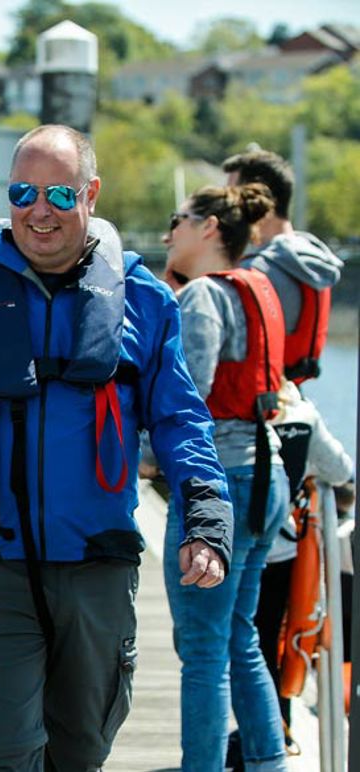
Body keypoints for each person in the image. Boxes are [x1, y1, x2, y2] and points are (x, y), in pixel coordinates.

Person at [0, 124, 233, 771]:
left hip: (98, 564)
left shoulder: (146, 302)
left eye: (58, 194)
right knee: (5, 751)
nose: (38, 210)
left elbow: (183, 421)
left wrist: (207, 520)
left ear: (90, 194)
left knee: (81, 751)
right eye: (22, 192)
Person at [162, 182, 292, 771]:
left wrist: (140, 454)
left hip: (224, 482)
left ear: (209, 227)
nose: (170, 234)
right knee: (240, 636)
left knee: (204, 651)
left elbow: (190, 399)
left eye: (179, 220)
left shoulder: (203, 298)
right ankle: (269, 762)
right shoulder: (259, 288)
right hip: (269, 475)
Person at [245, 379, 353, 760]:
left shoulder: (231, 403)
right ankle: (277, 733)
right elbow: (342, 473)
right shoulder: (304, 416)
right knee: (273, 642)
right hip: (282, 549)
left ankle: (259, 736)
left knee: (232, 646)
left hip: (229, 547)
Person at [223, 149, 344, 385]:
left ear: (261, 198)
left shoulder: (259, 271)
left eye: (233, 197)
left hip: (256, 405)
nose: (227, 209)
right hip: (294, 398)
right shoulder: (311, 257)